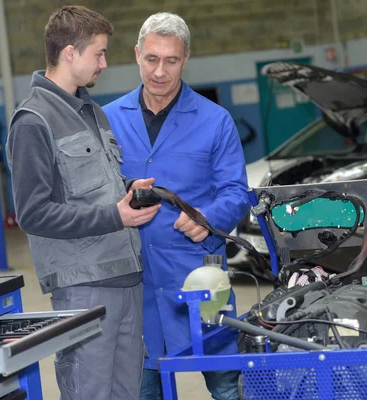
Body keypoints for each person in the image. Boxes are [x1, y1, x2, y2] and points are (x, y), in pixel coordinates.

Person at [6, 6, 159, 400]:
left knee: (128, 393)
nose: (104, 63)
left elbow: (91, 187)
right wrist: (115, 214)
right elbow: (33, 213)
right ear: (69, 53)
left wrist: (127, 190)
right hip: (84, 288)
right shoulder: (33, 121)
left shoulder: (93, 113)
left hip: (127, 278)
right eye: (99, 53)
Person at [103, 12, 250, 400]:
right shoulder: (109, 121)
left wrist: (208, 218)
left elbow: (236, 191)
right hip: (136, 283)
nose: (160, 72)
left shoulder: (215, 121)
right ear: (137, 54)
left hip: (200, 278)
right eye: (152, 59)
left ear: (185, 60)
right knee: (142, 389)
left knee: (227, 387)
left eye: (171, 60)